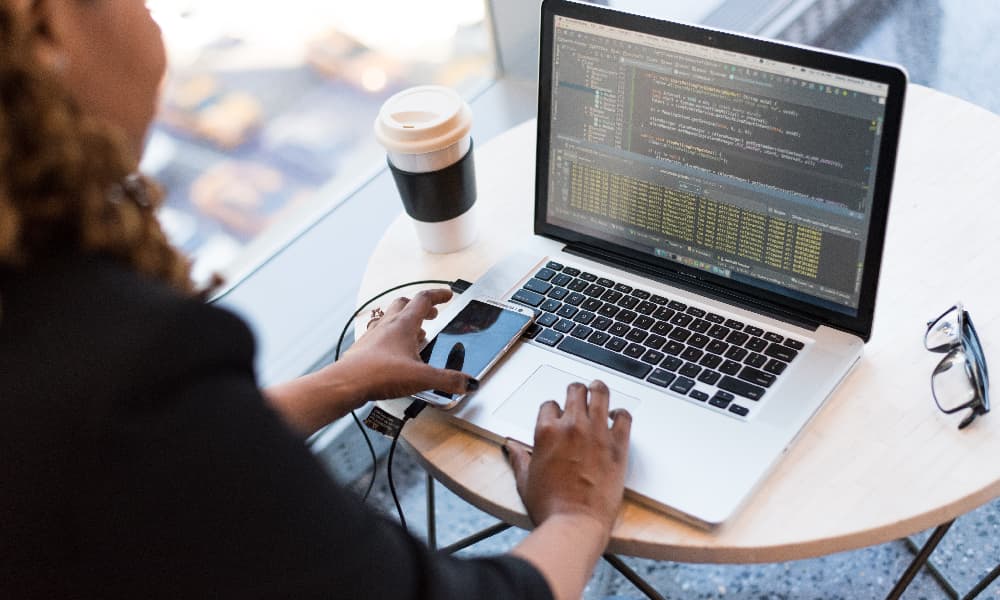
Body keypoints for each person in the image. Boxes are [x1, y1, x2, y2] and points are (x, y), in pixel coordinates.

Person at [0, 1, 633, 598]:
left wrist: (343, 381)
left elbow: (156, 460)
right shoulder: (127, 358)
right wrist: (577, 514)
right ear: (49, 33)